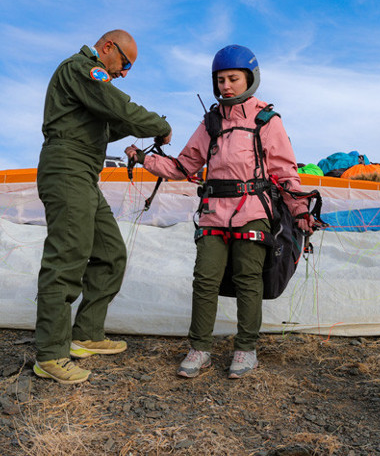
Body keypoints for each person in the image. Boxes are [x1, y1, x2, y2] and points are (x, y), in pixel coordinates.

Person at [124, 45, 312, 379]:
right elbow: (184, 164)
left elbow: (285, 173)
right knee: (205, 279)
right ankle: (199, 348)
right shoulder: (211, 123)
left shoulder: (267, 120)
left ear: (249, 79)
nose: (226, 85)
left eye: (233, 79)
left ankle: (246, 349)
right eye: (221, 80)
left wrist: (300, 212)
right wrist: (144, 158)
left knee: (248, 279)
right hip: (213, 212)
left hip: (253, 210)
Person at [33, 30, 173, 385]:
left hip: (84, 172)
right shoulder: (81, 69)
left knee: (111, 252)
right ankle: (50, 354)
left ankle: (85, 334)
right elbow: (116, 104)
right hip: (66, 166)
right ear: (107, 48)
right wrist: (159, 124)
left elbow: (110, 123)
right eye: (125, 64)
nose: (124, 73)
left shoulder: (90, 88)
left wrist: (139, 128)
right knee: (68, 255)